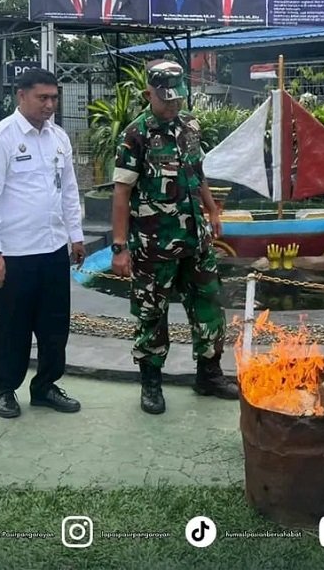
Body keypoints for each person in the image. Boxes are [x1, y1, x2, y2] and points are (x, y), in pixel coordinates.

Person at [111, 60, 238, 414]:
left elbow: (198, 173)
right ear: (149, 94)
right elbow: (121, 192)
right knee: (152, 313)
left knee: (209, 305)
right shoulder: (135, 135)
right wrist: (119, 247)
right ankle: (151, 382)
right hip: (154, 245)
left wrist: (212, 211)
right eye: (166, 99)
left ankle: (209, 374)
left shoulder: (190, 126)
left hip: (196, 240)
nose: (173, 105)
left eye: (178, 98)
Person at [0, 68, 85, 419]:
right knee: (12, 327)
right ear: (21, 96)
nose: (49, 105)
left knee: (55, 326)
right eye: (42, 98)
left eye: (54, 98)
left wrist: (76, 235)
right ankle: (4, 389)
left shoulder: (58, 137)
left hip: (53, 249)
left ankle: (46, 387)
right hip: (14, 254)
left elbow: (68, 189)